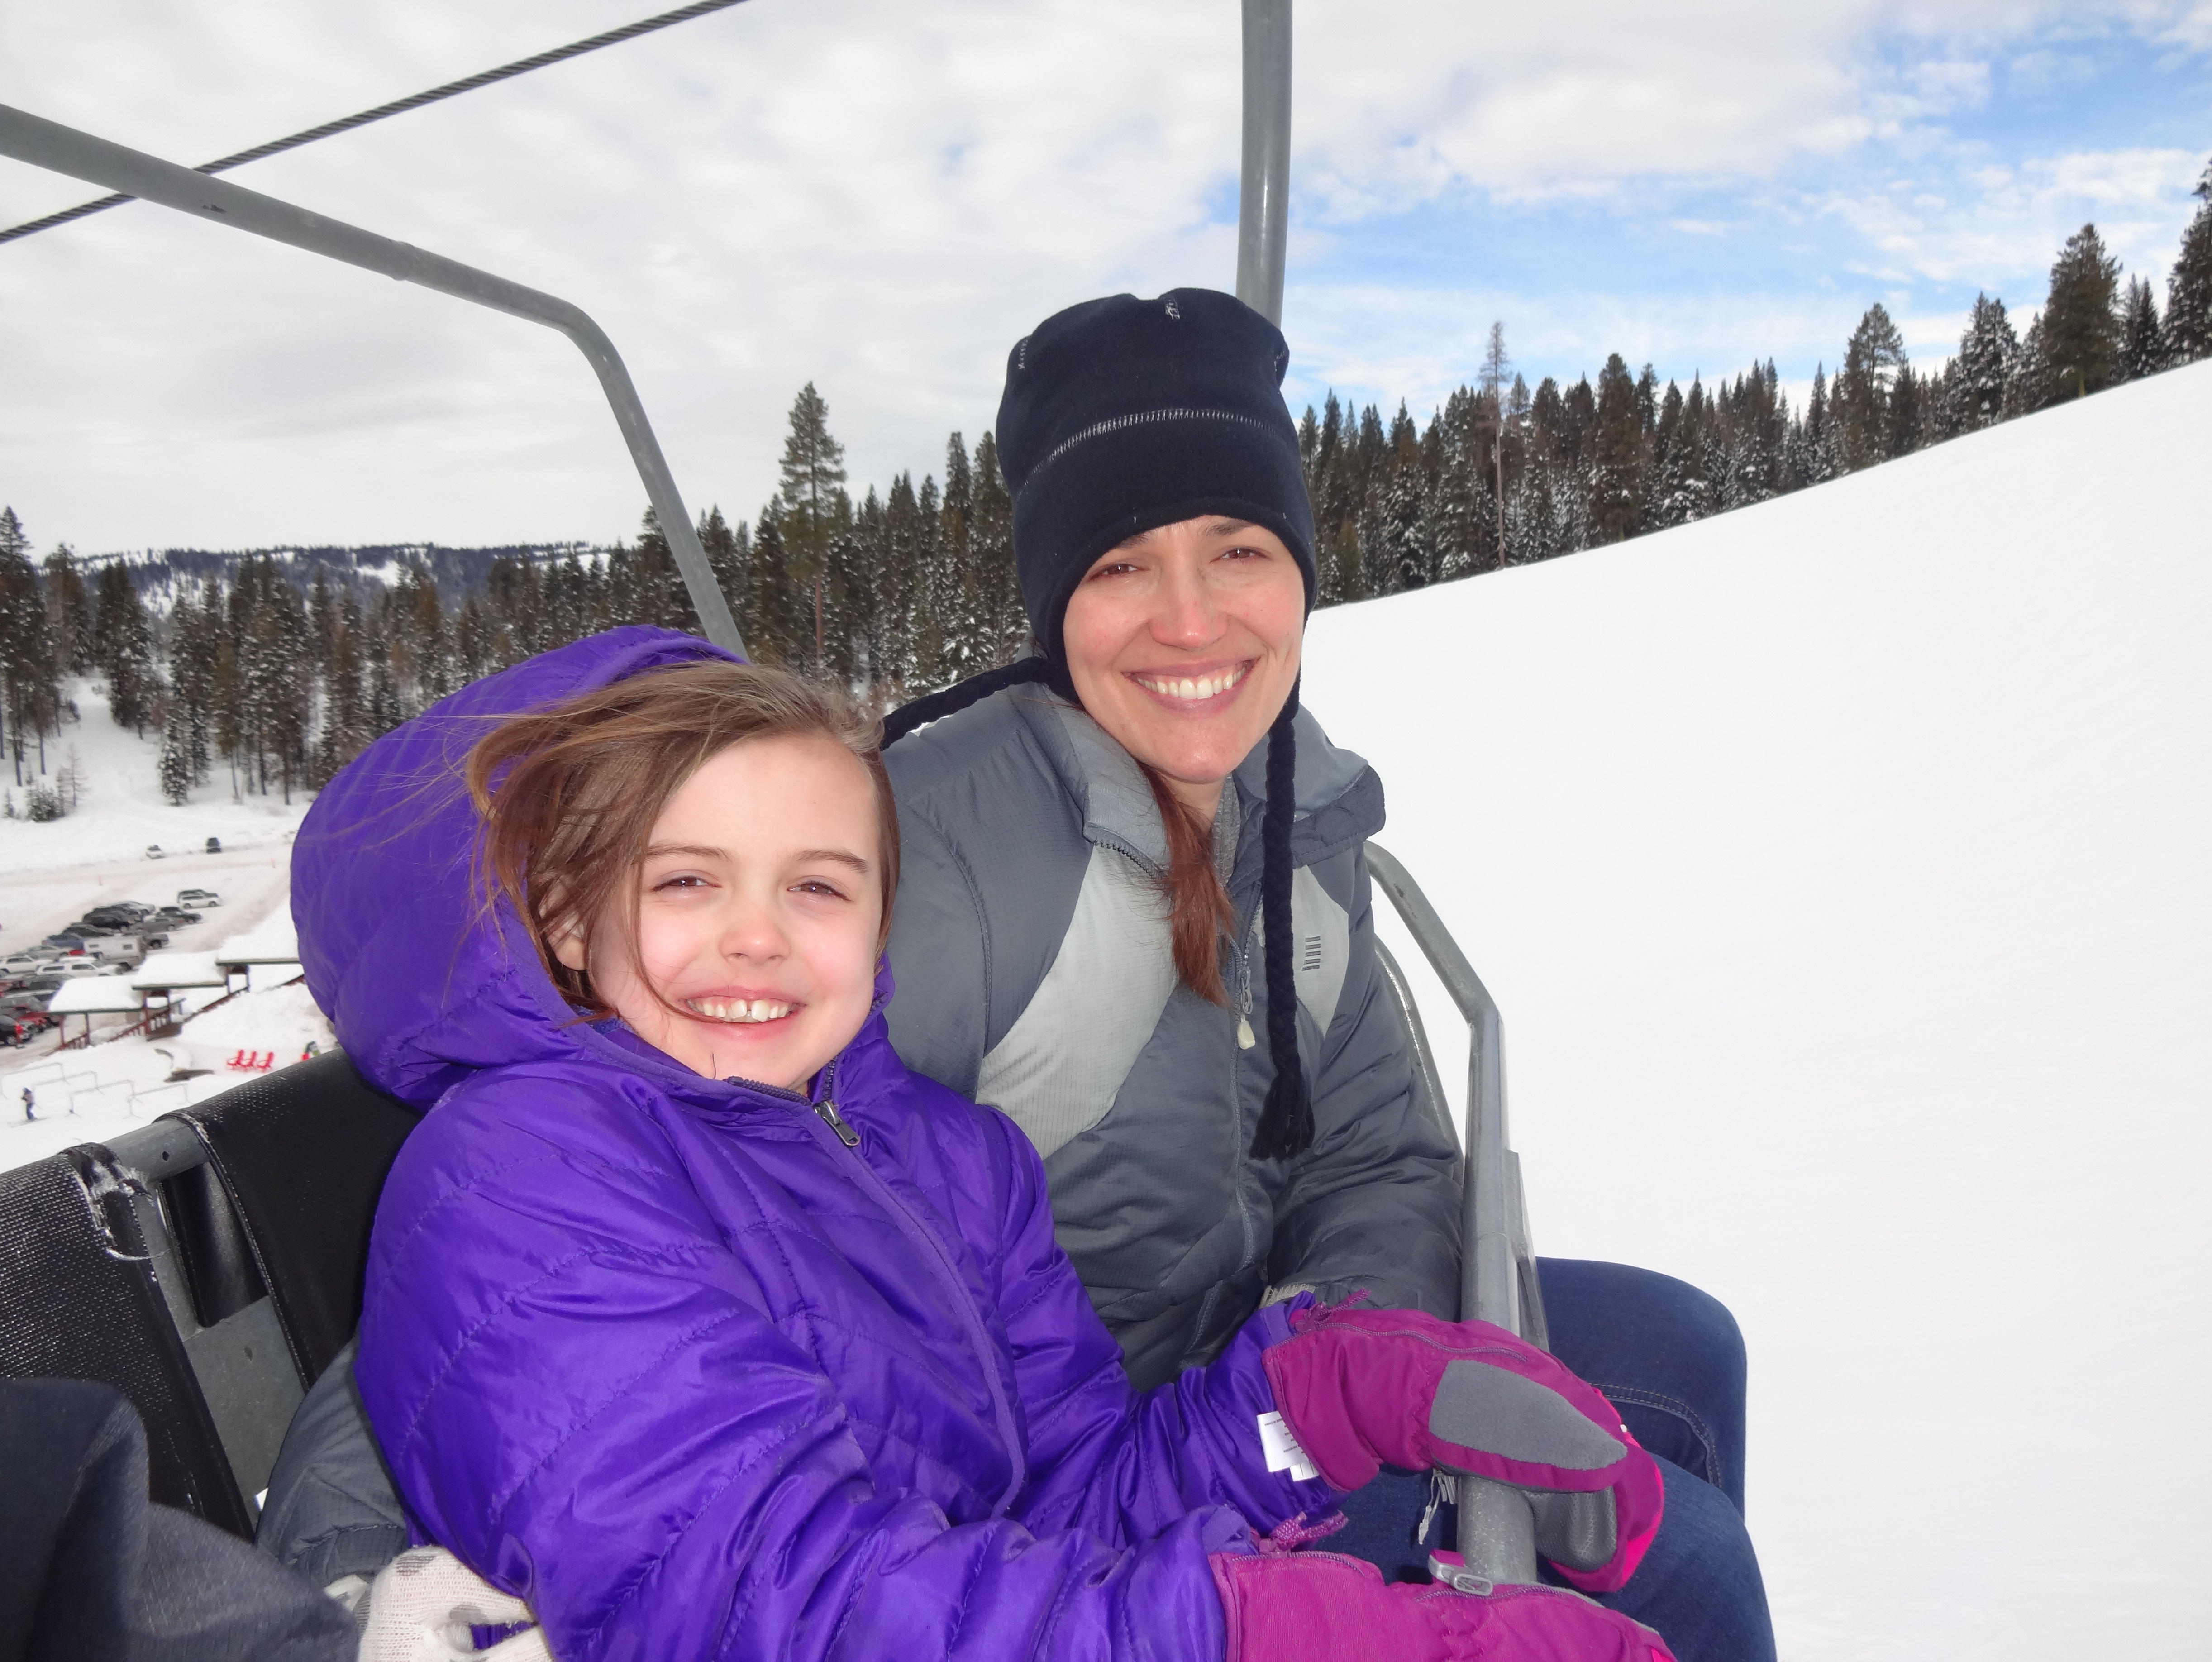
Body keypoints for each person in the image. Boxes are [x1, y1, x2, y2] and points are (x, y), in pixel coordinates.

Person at [290, 636, 1672, 1661]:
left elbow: (1077, 1499)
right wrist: (1247, 1630)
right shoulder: (527, 1172)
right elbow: (776, 1604)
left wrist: (1314, 1403)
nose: (758, 936)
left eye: (817, 886)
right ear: (567, 917)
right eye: (687, 881)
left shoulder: (952, 1161)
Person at [874, 289, 1773, 1661]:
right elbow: (809, 1261)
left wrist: (1336, 1348)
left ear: (1300, 570)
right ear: (1057, 604)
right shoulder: (933, 858)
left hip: (1246, 1367)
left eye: (1237, 550)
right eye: (1122, 566)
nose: (1191, 622)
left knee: (1686, 1355)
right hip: (1067, 1495)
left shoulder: (1289, 806)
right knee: (1689, 1570)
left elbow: (1382, 1158)